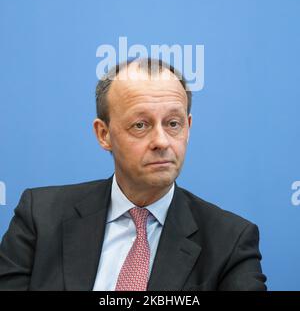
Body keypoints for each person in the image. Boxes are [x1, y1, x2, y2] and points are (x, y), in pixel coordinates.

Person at [0, 57, 267, 291]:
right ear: (103, 134)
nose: (161, 141)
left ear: (188, 127)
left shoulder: (229, 241)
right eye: (140, 125)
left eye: (173, 124)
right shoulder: (41, 215)